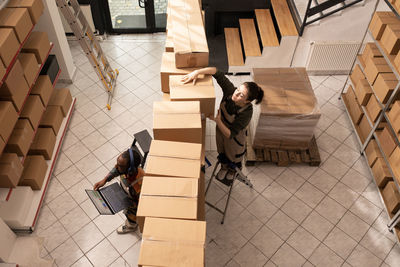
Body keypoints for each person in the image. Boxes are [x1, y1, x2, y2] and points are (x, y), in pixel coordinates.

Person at [182, 67, 264, 183]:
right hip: (221, 131)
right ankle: (224, 167)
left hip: (233, 139)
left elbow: (230, 134)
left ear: (246, 101)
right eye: (238, 90)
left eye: (241, 95)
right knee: (221, 151)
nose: (236, 94)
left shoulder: (246, 112)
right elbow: (217, 72)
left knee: (232, 157)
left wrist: (218, 121)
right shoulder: (230, 91)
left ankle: (232, 171)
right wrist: (197, 72)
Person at [93, 148, 145, 234]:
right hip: (128, 194)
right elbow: (116, 170)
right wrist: (105, 180)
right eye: (118, 163)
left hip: (135, 203)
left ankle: (131, 226)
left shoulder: (139, 185)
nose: (117, 167)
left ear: (130, 169)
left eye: (120, 166)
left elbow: (142, 205)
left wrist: (129, 206)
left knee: (131, 215)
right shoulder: (126, 169)